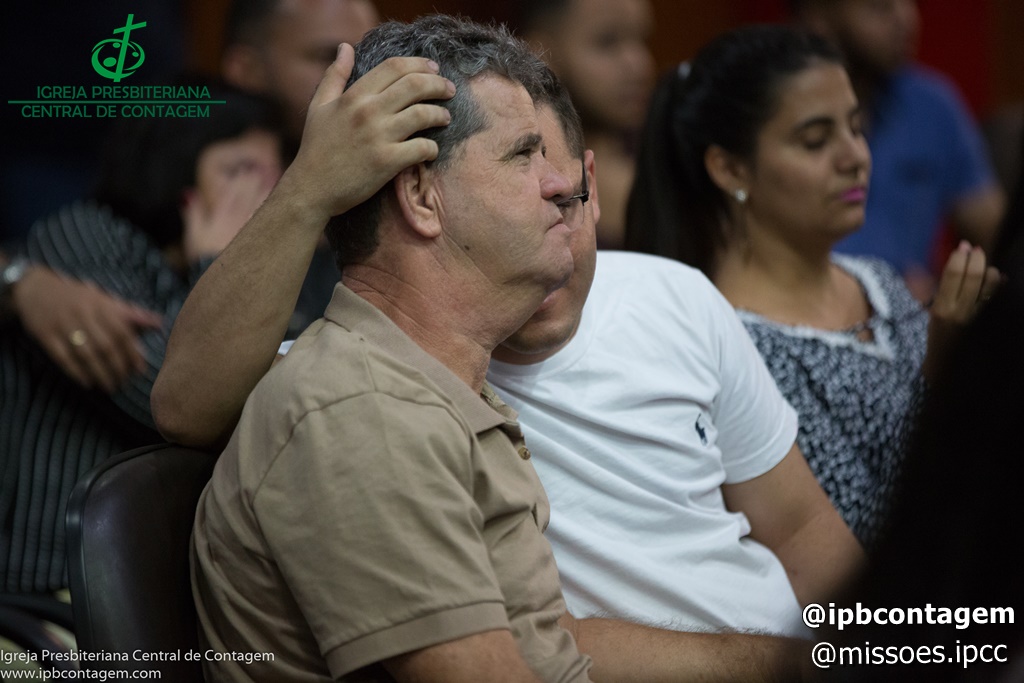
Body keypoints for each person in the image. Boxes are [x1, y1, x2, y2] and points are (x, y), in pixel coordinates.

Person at [191, 16, 815, 682]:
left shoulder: (452, 383)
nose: (560, 187)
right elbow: (187, 401)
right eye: (524, 155)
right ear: (422, 194)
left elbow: (549, 652)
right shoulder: (362, 408)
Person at [625, 24, 998, 546]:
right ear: (730, 169)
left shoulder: (875, 279)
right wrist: (948, 363)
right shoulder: (737, 342)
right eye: (816, 141)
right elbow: (857, 539)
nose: (855, 157)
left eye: (856, 127)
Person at [0, 83, 283, 594]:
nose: (265, 195)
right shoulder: (85, 236)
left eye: (274, 175)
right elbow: (180, 400)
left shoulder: (276, 276)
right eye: (242, 172)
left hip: (154, 590)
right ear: (177, 168)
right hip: (47, 593)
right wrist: (223, 266)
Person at [791, 0, 1005, 301]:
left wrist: (952, 290)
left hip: (916, 317)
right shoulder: (776, 107)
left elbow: (998, 237)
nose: (906, 18)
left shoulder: (931, 106)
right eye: (879, 6)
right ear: (818, 16)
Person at [515, 0, 655, 248]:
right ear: (542, 51)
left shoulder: (664, 150)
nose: (638, 63)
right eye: (607, 42)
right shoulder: (520, 175)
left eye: (641, 40)